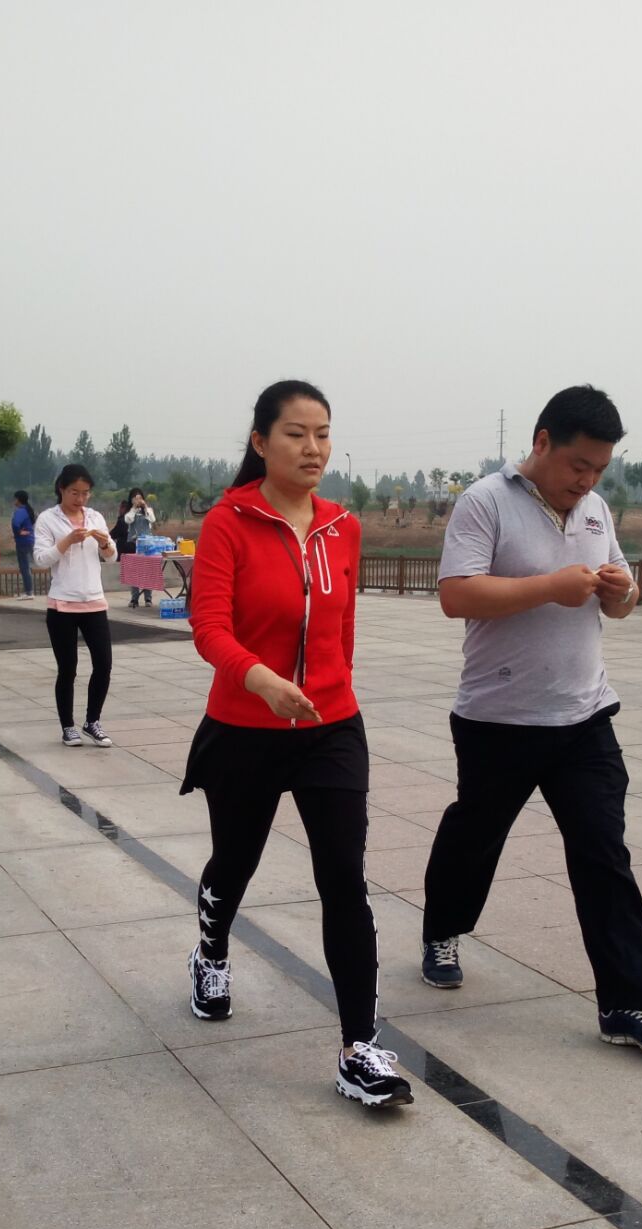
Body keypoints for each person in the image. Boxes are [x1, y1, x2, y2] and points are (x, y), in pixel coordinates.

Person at [417, 385, 642, 1052]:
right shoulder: (485, 501)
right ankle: (442, 930)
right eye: (578, 465)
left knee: (603, 853)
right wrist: (552, 587)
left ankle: (630, 1005)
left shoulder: (595, 510)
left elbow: (618, 599)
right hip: (498, 718)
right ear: (542, 443)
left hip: (584, 715)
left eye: (599, 469)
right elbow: (456, 595)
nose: (587, 481)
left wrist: (622, 592)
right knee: (475, 836)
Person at [184, 380, 409, 1109]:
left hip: (330, 728)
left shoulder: (344, 526)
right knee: (235, 862)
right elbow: (209, 628)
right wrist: (261, 680)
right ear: (260, 442)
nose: (313, 448)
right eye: (296, 434)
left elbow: (343, 629)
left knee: (344, 877)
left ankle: (359, 1048)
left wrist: (331, 692)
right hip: (246, 728)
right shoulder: (228, 523)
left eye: (323, 433)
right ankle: (211, 953)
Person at [32, 465, 117, 747]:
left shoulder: (95, 517)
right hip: (62, 605)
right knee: (68, 669)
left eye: (85, 493)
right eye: (74, 493)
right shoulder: (48, 519)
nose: (80, 499)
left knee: (103, 664)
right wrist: (67, 540)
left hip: (94, 602)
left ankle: (93, 721)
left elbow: (111, 557)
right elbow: (41, 559)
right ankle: (67, 726)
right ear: (62, 489)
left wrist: (105, 544)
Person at [117, 487, 158, 607]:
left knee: (148, 572)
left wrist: (145, 507)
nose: (138, 500)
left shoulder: (148, 510)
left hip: (147, 544)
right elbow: (128, 520)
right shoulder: (129, 511)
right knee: (134, 572)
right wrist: (134, 508)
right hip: (133, 544)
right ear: (131, 499)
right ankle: (134, 598)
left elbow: (152, 519)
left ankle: (148, 598)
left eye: (140, 497)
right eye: (135, 498)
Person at [10, 489, 37, 598]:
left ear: (18, 499)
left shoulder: (20, 511)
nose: (14, 501)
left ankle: (29, 592)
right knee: (27, 566)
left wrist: (19, 532)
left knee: (24, 567)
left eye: (15, 498)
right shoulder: (28, 510)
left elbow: (15, 524)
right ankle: (29, 591)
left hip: (22, 542)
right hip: (30, 540)